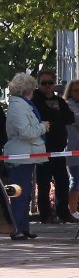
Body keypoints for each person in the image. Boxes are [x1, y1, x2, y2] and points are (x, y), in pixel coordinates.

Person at [4, 72, 46, 239]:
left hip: (26, 155)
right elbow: (26, 132)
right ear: (28, 89)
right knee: (19, 194)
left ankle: (24, 226)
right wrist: (43, 127)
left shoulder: (23, 104)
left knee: (25, 193)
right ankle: (16, 229)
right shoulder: (17, 106)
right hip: (19, 156)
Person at [32, 70, 73, 223]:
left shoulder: (59, 100)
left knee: (63, 181)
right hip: (43, 147)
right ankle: (45, 215)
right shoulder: (35, 99)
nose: (47, 86)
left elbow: (69, 117)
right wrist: (57, 116)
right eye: (44, 83)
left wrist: (54, 118)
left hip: (59, 148)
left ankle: (64, 213)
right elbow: (42, 114)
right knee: (44, 182)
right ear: (38, 83)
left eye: (50, 83)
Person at [65, 80, 79, 218]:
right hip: (73, 148)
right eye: (75, 90)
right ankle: (73, 212)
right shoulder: (68, 105)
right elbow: (76, 119)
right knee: (76, 179)